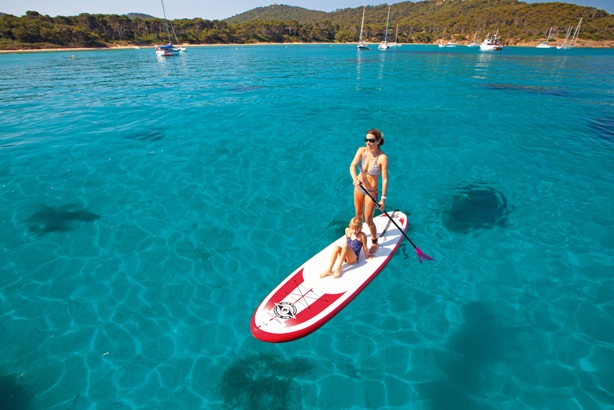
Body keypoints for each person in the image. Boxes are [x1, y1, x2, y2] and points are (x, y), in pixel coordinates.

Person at [349, 128, 388, 256]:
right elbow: (352, 166)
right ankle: (358, 234)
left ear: (378, 141)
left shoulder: (382, 158)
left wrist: (382, 199)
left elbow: (385, 180)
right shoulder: (362, 151)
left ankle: (375, 242)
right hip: (359, 187)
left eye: (371, 140)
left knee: (368, 219)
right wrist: (355, 179)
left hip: (371, 191)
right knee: (358, 214)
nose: (368, 142)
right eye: (366, 139)